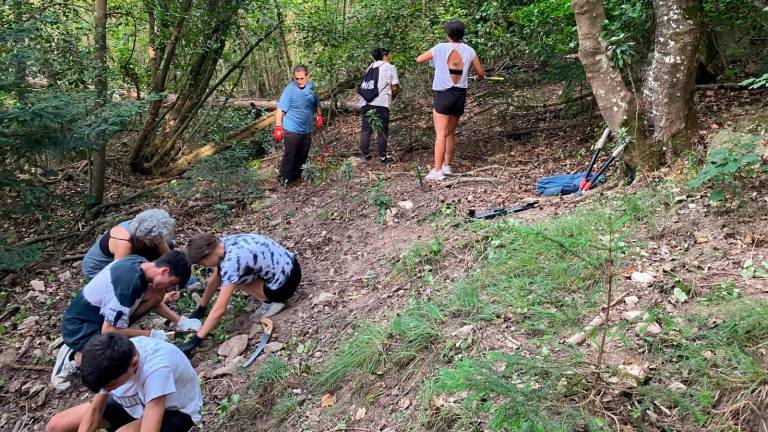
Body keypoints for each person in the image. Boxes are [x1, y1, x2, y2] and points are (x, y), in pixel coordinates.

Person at [52, 251, 196, 391]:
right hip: (80, 329)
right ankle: (73, 355)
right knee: (114, 361)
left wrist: (180, 320)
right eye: (172, 284)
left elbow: (154, 301)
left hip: (101, 318)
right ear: (164, 271)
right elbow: (109, 330)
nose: (170, 289)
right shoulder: (126, 285)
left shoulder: (141, 264)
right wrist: (150, 334)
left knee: (156, 292)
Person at [46, 333, 202, 432]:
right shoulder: (107, 359)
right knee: (56, 425)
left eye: (111, 387)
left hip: (173, 412)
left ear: (134, 364)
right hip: (132, 403)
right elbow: (95, 411)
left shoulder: (157, 369)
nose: (106, 391)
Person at [178, 233, 301, 356]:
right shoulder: (225, 242)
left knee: (232, 281)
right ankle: (265, 293)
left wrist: (196, 340)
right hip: (293, 265)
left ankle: (270, 302)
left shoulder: (231, 262)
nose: (205, 266)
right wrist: (201, 308)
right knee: (229, 276)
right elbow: (215, 279)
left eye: (203, 263)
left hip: (284, 287)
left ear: (207, 253)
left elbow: (219, 309)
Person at [416, 19, 485, 181]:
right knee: (450, 132)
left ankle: (437, 170)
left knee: (440, 133)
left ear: (447, 34)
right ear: (462, 34)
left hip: (443, 95)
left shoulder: (440, 48)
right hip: (460, 95)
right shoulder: (470, 51)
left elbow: (419, 59)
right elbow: (481, 73)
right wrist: (478, 76)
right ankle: (447, 166)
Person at [82, 208, 176, 281]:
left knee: (169, 245)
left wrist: (177, 273)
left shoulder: (147, 228)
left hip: (130, 255)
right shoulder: (124, 242)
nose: (158, 240)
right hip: (98, 270)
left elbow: (167, 255)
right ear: (145, 236)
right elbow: (120, 274)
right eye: (154, 239)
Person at [272, 65, 323, 185]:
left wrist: (319, 115)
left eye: (301, 79)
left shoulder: (311, 87)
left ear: (307, 76)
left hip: (306, 129)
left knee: (303, 155)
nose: (299, 81)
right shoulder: (289, 89)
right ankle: (283, 181)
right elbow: (280, 109)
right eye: (296, 79)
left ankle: (295, 179)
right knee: (290, 156)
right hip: (292, 129)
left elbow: (317, 102)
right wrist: (278, 127)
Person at [358, 48, 400, 164]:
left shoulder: (370, 67)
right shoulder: (390, 67)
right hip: (381, 103)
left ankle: (365, 155)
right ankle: (382, 157)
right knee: (382, 130)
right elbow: (395, 86)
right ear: (385, 56)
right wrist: (392, 95)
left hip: (366, 102)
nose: (390, 57)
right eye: (389, 55)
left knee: (366, 129)